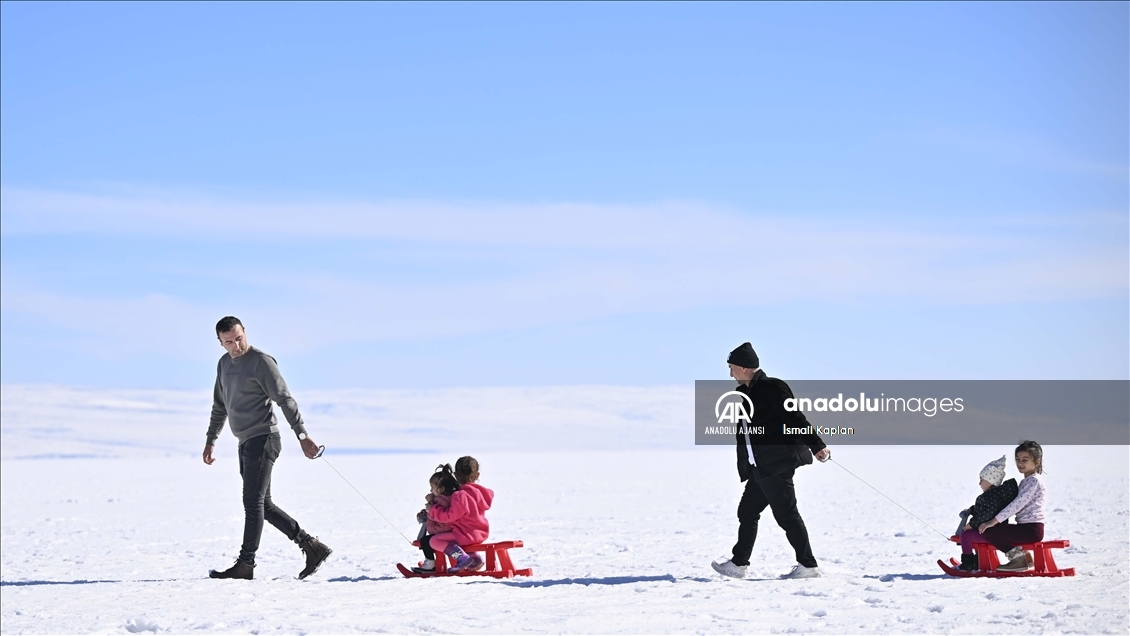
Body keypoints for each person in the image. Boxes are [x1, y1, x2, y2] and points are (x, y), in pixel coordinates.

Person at [203, 316, 332, 580]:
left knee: (253, 502)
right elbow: (220, 406)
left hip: (264, 439)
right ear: (220, 342)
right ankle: (312, 546)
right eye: (229, 342)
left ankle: (246, 563)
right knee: (264, 504)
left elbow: (285, 399)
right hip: (245, 442)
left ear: (244, 332)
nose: (236, 346)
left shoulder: (261, 362)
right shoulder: (224, 364)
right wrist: (210, 440)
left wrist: (302, 434)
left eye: (239, 338)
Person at [711, 342, 831, 580]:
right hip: (760, 467)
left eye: (732, 367)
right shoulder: (747, 393)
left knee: (787, 516)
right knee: (747, 511)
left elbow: (795, 418)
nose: (730, 373)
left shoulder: (772, 387)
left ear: (745, 367)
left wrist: (817, 445)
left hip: (777, 464)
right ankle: (738, 564)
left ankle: (808, 565)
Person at [975, 441, 1046, 572]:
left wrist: (993, 521)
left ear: (1037, 461)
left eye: (1025, 460)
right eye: (1018, 459)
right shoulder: (1026, 481)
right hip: (1026, 528)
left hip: (1031, 530)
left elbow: (1016, 505)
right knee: (997, 530)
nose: (1020, 463)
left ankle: (1018, 559)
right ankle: (1024, 557)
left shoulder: (1034, 481)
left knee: (989, 531)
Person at [954, 456, 1019, 571]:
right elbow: (984, 510)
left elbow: (987, 514)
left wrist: (972, 524)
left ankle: (968, 563)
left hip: (991, 533)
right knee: (972, 534)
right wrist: (972, 510)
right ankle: (978, 561)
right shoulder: (995, 496)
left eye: (982, 480)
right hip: (991, 531)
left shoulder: (992, 497)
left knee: (965, 535)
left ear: (991, 481)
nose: (979, 483)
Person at [427, 464, 494, 573]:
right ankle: (475, 559)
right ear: (477, 475)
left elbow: (449, 516)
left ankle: (462, 559)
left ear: (456, 475)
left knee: (434, 541)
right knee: (455, 538)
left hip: (465, 534)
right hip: (480, 534)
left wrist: (432, 509)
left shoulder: (460, 495)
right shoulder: (480, 493)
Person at [412, 470, 456, 574]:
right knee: (426, 541)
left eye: (432, 487)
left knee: (425, 541)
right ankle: (432, 563)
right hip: (440, 530)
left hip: (442, 531)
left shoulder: (443, 500)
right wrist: (425, 512)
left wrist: (430, 502)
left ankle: (430, 564)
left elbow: (438, 513)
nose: (431, 490)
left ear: (441, 489)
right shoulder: (440, 499)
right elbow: (433, 511)